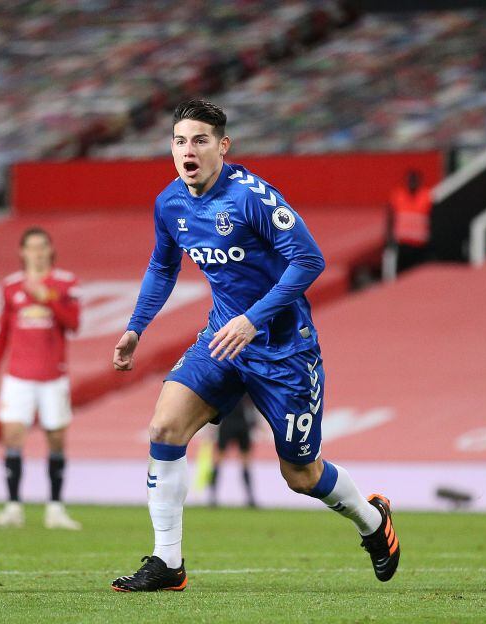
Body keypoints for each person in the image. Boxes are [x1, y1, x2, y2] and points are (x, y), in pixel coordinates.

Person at [110, 99, 400, 592]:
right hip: (223, 339)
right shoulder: (170, 203)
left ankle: (373, 522)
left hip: (284, 349)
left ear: (223, 146)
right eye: (180, 141)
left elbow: (309, 260)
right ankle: (168, 562)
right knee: (164, 426)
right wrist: (137, 326)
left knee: (302, 475)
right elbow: (163, 266)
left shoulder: (251, 198)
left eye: (200, 140)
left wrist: (253, 319)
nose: (188, 151)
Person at [0, 227, 82, 530]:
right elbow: (3, 330)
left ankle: (55, 508)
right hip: (18, 376)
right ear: (22, 252)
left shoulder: (65, 283)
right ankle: (13, 507)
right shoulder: (10, 286)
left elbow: (74, 323)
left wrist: (48, 299)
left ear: (50, 250)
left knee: (56, 440)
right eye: (31, 247)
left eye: (42, 247)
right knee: (12, 436)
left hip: (53, 375)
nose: (37, 253)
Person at [207, 396, 258, 508]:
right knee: (218, 459)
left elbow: (253, 403)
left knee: (245, 461)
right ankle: (212, 497)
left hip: (241, 422)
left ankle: (250, 498)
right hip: (229, 422)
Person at [385, 168, 432, 276]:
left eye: (415, 180)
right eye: (410, 180)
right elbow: (390, 218)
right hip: (403, 243)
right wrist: (389, 238)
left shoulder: (426, 196)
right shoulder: (398, 196)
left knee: (418, 274)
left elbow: (432, 218)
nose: (412, 183)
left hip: (420, 244)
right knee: (402, 274)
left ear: (420, 182)